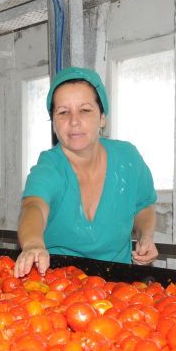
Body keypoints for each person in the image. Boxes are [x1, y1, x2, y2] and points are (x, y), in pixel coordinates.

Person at [14, 66, 158, 278]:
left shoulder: (128, 159)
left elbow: (143, 207)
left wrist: (145, 235)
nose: (74, 121)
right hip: (58, 284)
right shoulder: (49, 166)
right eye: (63, 112)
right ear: (54, 123)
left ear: (101, 117)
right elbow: (33, 206)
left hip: (118, 285)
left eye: (85, 110)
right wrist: (33, 244)